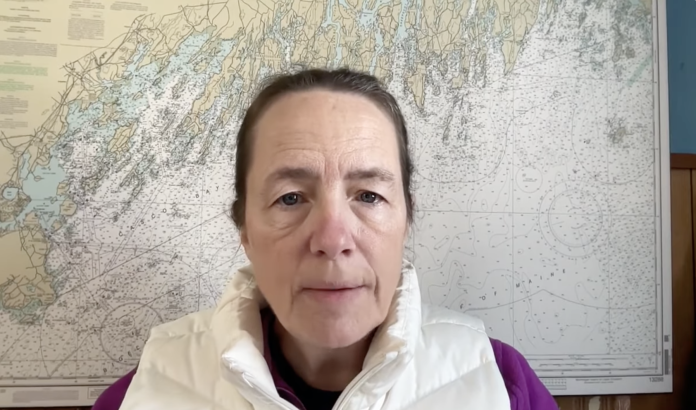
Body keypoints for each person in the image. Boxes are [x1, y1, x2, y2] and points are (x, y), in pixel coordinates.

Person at [93, 68, 559, 410]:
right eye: (290, 198)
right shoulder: (146, 392)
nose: (333, 239)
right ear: (244, 230)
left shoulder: (501, 383)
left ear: (407, 219)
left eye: (369, 196)